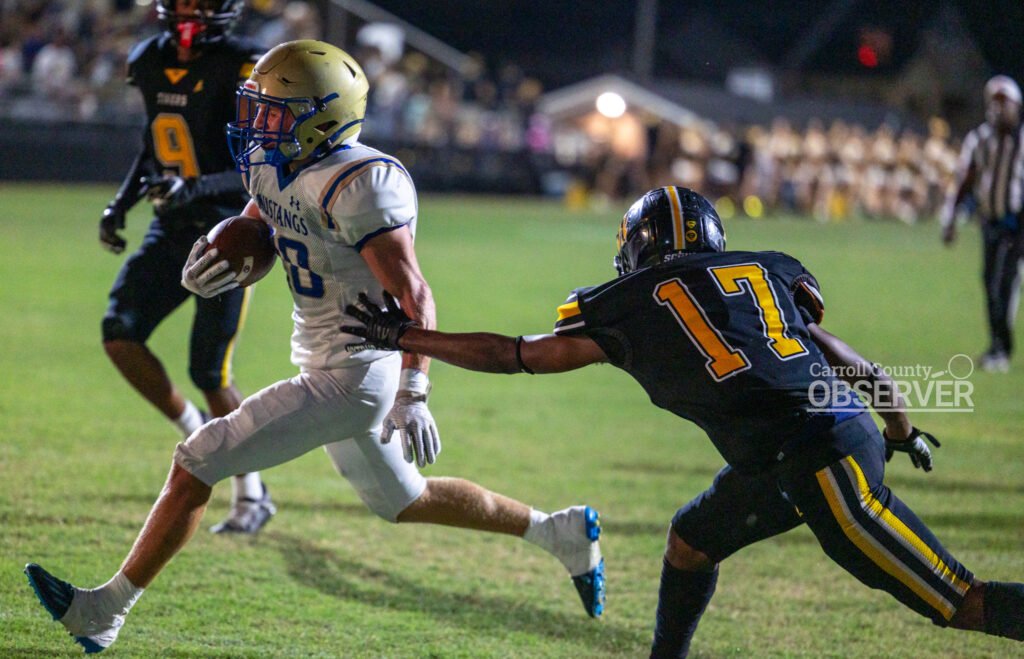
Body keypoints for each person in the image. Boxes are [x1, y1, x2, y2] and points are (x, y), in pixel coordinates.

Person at [24, 40, 604, 654]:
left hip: (353, 375)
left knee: (197, 460)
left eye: (274, 112)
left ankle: (103, 611)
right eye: (256, 107)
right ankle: (558, 532)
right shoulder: (273, 160)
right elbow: (265, 218)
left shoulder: (362, 183)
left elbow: (413, 292)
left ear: (322, 118)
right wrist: (226, 256)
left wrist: (414, 388)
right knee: (406, 499)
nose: (257, 122)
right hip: (326, 359)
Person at [344, 186, 1024, 656]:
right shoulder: (764, 271)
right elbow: (861, 367)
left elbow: (514, 355)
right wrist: (902, 432)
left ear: (638, 247)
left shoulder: (623, 303)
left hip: (819, 463)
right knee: (690, 540)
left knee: (959, 601)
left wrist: (407, 336)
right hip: (810, 446)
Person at [97, 0, 275, 534]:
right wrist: (121, 203)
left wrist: (194, 186)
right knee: (119, 332)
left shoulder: (247, 63)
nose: (190, 9)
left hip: (228, 231)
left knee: (210, 372)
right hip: (171, 226)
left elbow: (262, 160)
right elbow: (153, 144)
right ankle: (192, 425)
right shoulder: (149, 58)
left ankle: (252, 492)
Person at [941, 75, 1024, 373]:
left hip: (1017, 223)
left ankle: (1002, 349)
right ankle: (996, 346)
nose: (999, 109)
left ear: (1016, 105)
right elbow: (965, 180)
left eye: (1004, 102)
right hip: (990, 222)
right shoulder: (980, 139)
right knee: (990, 283)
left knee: (1004, 283)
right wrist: (950, 218)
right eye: (995, 102)